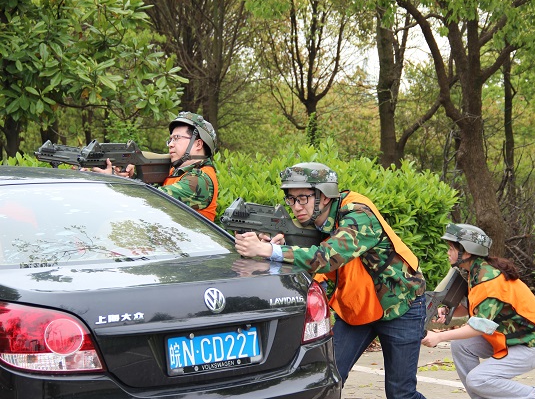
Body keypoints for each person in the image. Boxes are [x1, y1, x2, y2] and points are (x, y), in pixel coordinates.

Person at [234, 162, 427, 399]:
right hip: (357, 307)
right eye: (291, 199)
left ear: (324, 196)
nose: (296, 206)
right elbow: (308, 247)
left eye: (303, 198)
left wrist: (268, 250)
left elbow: (326, 258)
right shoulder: (318, 220)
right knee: (326, 379)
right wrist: (280, 245)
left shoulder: (358, 215)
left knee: (401, 393)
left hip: (401, 305)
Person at [421, 223, 535, 399]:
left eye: (451, 248)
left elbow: (479, 327)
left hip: (533, 343)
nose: (448, 252)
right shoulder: (476, 271)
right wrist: (448, 311)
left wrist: (439, 337)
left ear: (467, 251)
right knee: (461, 346)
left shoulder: (489, 280)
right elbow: (474, 309)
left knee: (477, 380)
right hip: (510, 337)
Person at [91, 111, 219, 221]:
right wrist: (131, 176)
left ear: (198, 144)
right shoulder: (176, 171)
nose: (170, 144)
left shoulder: (200, 180)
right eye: (170, 139)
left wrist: (113, 180)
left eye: (177, 138)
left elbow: (150, 198)